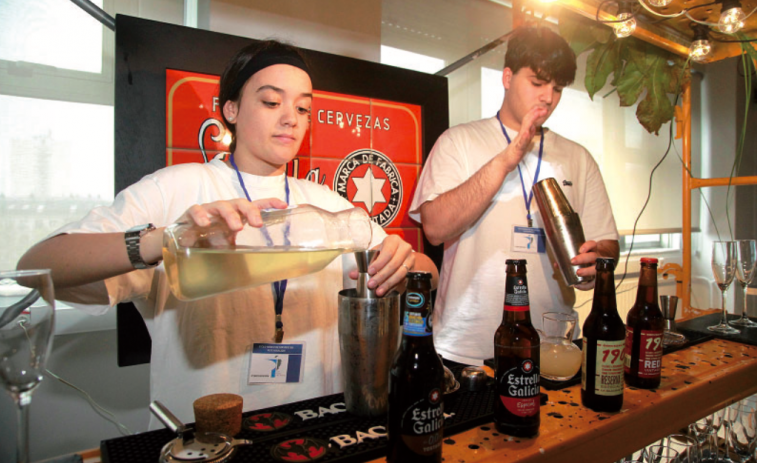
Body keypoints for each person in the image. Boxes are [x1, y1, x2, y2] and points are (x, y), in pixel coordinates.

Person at [17, 40, 438, 427]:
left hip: (314, 425)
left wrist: (407, 264)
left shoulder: (329, 204)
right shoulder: (177, 188)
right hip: (205, 437)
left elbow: (428, 277)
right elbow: (36, 266)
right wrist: (166, 240)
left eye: (304, 108)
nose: (291, 118)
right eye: (272, 101)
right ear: (231, 109)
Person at [409, 26, 619, 366]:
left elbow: (607, 242)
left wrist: (597, 260)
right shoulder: (459, 141)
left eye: (558, 88)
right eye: (538, 82)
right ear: (507, 77)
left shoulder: (577, 157)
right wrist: (507, 159)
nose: (548, 98)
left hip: (552, 347)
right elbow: (434, 227)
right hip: (466, 349)